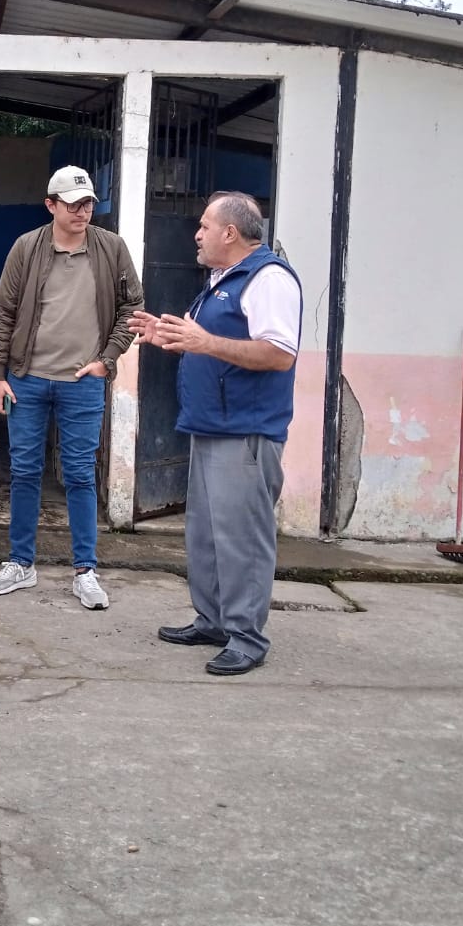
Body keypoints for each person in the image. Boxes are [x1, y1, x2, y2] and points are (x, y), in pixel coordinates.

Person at [134, 190, 301, 676]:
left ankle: (247, 637)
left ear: (230, 232)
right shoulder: (221, 280)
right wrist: (172, 338)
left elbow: (279, 354)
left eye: (205, 226)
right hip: (210, 426)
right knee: (206, 536)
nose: (197, 234)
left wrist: (205, 341)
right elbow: (212, 346)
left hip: (245, 432)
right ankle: (212, 621)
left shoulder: (268, 279)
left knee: (242, 539)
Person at [0, 165, 143, 609]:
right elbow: (4, 311)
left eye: (88, 203)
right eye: (73, 204)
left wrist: (107, 360)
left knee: (79, 474)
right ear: (50, 205)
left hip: (82, 382)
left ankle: (85, 570)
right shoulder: (26, 247)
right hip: (26, 380)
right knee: (24, 471)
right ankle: (21, 563)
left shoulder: (111, 248)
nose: (82, 211)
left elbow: (132, 305)